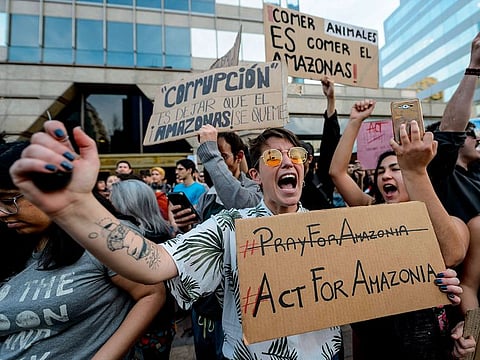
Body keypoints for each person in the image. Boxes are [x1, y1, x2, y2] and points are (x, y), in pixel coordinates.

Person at [10, 121, 463, 360]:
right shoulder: (230, 226)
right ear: (255, 172)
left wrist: (432, 282)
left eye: (296, 155)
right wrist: (73, 207)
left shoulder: (334, 229)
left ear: (304, 169)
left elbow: (445, 253)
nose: (288, 162)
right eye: (274, 156)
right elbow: (153, 265)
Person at [329, 100, 469, 360]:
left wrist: (415, 170)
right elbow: (337, 173)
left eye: (396, 168)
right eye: (381, 171)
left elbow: (452, 253)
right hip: (376, 343)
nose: (385, 176)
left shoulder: (447, 219)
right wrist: (355, 122)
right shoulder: (371, 208)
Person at [0, 141, 166, 360]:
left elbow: (152, 293)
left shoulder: (104, 236)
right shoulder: (14, 244)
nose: (2, 212)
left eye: (8, 200)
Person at [174, 125, 262, 360]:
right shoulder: (206, 197)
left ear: (239, 157)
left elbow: (241, 205)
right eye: (212, 157)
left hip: (242, 303)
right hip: (208, 303)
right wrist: (184, 228)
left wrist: (209, 152)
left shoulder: (255, 191)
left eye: (222, 156)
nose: (216, 163)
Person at [425, 31, 480, 359]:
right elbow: (450, 131)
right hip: (464, 310)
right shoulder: (442, 179)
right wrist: (474, 67)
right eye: (471, 132)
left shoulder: (476, 176)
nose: (477, 137)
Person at [109, 179, 175, 360]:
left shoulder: (133, 242)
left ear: (127, 204)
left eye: (113, 199)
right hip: (161, 324)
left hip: (145, 326)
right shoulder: (163, 233)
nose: (109, 205)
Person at [300, 76, 339, 210]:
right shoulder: (285, 187)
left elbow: (330, 144)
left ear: (310, 159)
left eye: (300, 156)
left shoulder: (321, 179)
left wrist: (331, 100)